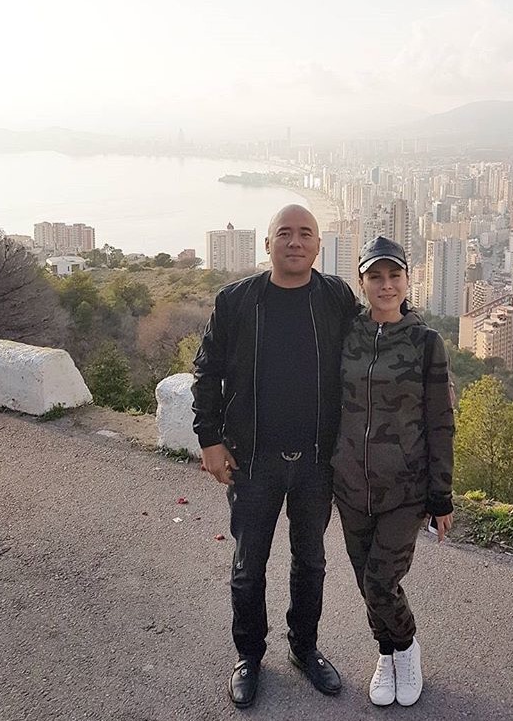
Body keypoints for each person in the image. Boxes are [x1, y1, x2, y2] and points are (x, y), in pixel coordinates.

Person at [191, 204, 360, 708]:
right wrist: (210, 439)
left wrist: (428, 367)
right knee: (249, 565)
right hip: (253, 460)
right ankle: (249, 656)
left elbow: (378, 335)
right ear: (268, 245)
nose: (295, 241)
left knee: (311, 563)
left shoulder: (335, 298)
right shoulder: (237, 301)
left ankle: (304, 649)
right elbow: (207, 373)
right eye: (284, 233)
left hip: (316, 461)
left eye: (305, 233)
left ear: (318, 246)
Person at [331, 236, 454, 708]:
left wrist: (441, 496)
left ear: (407, 280)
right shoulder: (348, 334)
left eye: (394, 275)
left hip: (405, 489)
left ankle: (405, 647)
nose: (386, 285)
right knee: (366, 580)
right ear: (362, 283)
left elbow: (440, 422)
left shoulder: (426, 343)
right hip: (350, 485)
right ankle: (386, 652)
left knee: (381, 582)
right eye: (375, 277)